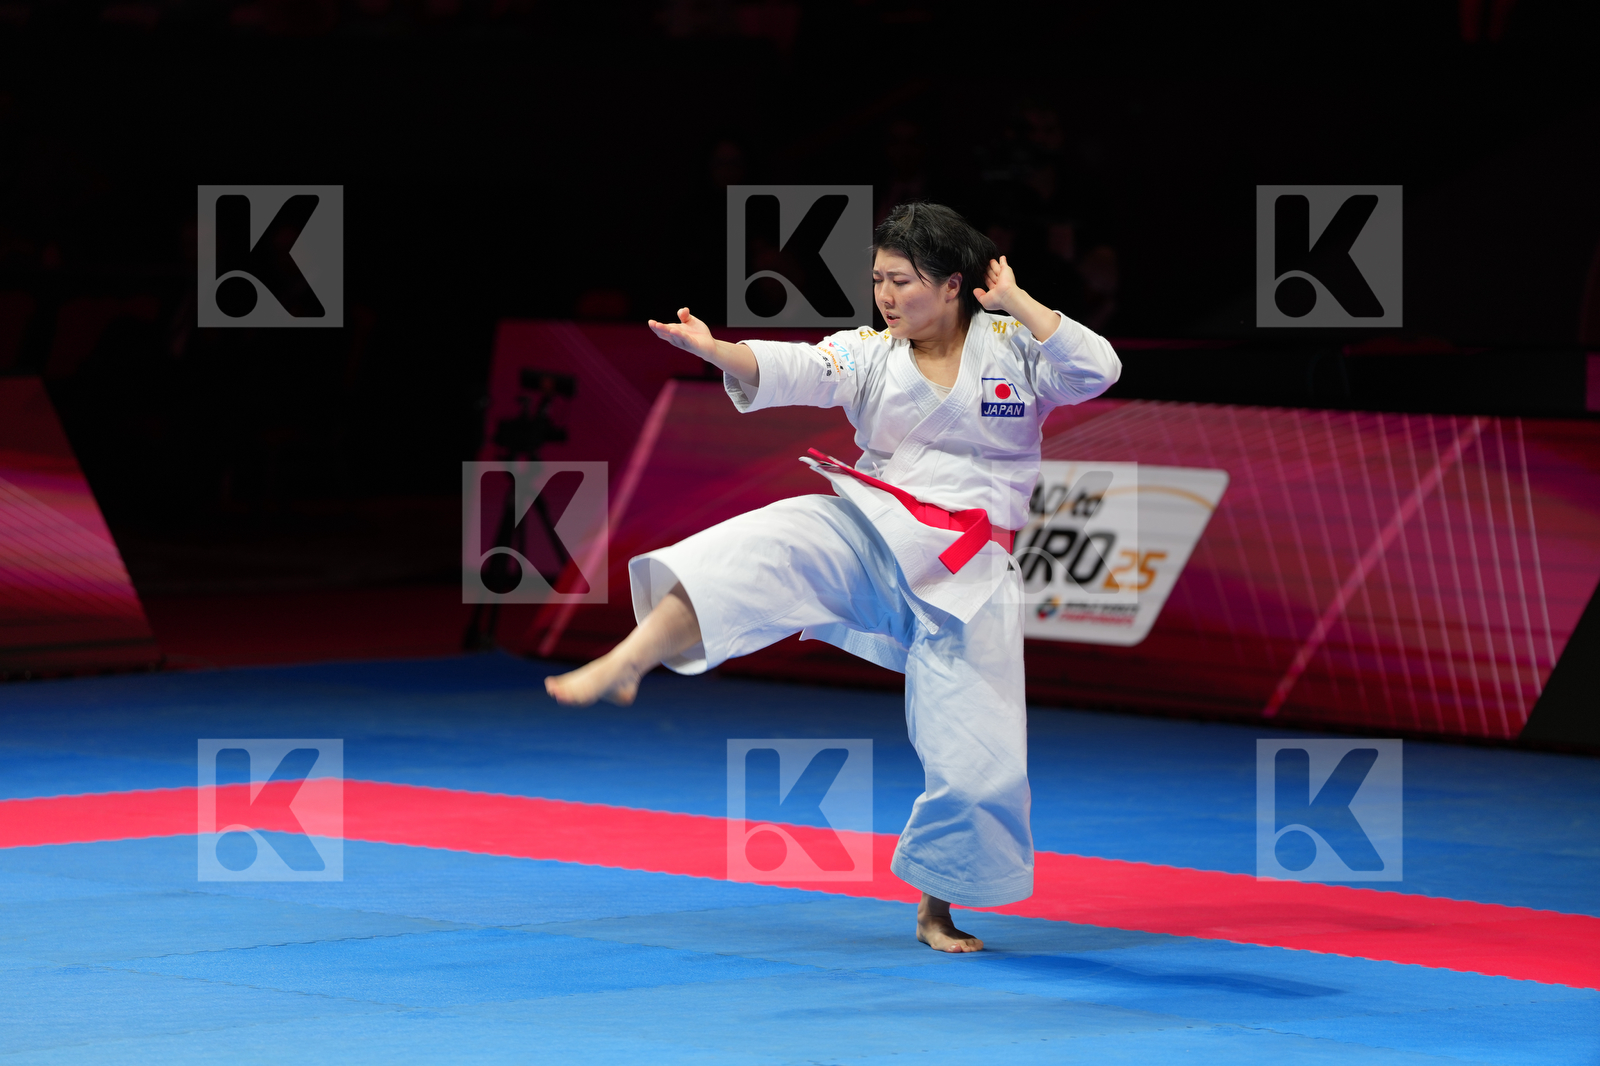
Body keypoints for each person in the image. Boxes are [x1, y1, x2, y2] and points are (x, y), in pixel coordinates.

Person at [546, 202, 1121, 952]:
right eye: (877, 279)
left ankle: (937, 906)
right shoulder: (871, 354)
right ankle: (629, 659)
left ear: (954, 284)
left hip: (971, 573)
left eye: (902, 281)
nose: (885, 296)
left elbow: (1098, 369)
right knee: (761, 547)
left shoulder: (1015, 349)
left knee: (980, 770)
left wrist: (1014, 298)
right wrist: (718, 349)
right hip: (874, 532)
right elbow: (797, 368)